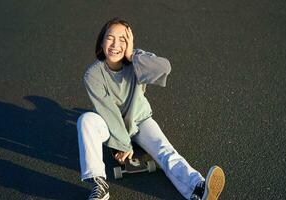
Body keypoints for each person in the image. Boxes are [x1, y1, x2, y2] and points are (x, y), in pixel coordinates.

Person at [77, 17, 226, 200]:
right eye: (110, 38)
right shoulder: (93, 74)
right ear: (101, 41)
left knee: (165, 151)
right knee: (86, 120)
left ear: (130, 42)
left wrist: (132, 55)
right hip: (110, 125)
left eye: (123, 39)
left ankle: (198, 188)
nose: (116, 44)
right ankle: (99, 186)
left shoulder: (138, 60)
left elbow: (164, 67)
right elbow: (109, 112)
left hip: (140, 120)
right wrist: (122, 145)